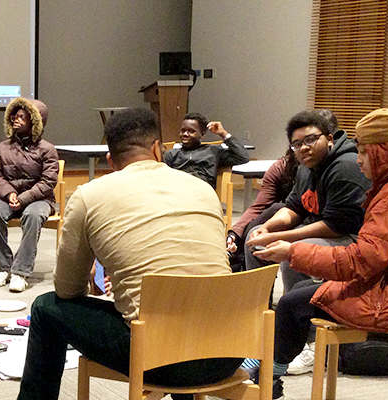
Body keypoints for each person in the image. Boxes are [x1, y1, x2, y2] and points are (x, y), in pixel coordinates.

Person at [17, 108, 241, 400]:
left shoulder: (89, 195)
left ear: (110, 161)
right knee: (185, 301)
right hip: (231, 350)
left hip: (161, 360)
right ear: (158, 150)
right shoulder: (204, 189)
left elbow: (67, 289)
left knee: (46, 308)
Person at [252, 108, 388, 397]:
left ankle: (266, 382)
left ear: (384, 152)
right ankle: (265, 370)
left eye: (364, 152)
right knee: (304, 290)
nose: (358, 159)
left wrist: (293, 252)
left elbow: (359, 261)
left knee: (292, 303)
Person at [244, 110, 371, 294]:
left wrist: (280, 238)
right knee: (254, 238)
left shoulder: (345, 167)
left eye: (310, 140)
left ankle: (295, 312)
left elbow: (335, 226)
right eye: (296, 144)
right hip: (322, 231)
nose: (303, 148)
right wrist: (268, 227)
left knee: (293, 254)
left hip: (352, 238)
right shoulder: (306, 167)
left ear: (329, 139)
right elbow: (293, 207)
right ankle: (258, 307)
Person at [0, 97, 58, 292]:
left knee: (33, 216)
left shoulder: (47, 149)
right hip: (9, 197)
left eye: (22, 117)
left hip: (40, 199)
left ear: (34, 122)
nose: (16, 120)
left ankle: (20, 272)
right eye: (15, 117)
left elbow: (48, 182)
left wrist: (24, 198)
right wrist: (9, 193)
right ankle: (3, 267)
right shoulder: (3, 147)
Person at [163, 112, 249, 188]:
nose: (185, 134)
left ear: (202, 135)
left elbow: (242, 157)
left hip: (204, 193)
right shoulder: (172, 154)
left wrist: (223, 133)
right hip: (179, 192)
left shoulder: (213, 151)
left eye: (191, 131)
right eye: (183, 130)